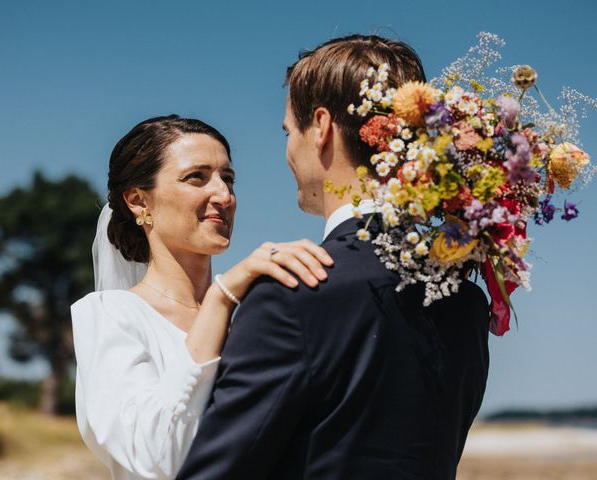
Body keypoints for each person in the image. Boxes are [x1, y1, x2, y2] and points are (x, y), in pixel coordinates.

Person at [176, 35, 490, 480]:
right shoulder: (467, 302)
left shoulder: (292, 296)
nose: (287, 151)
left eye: (289, 131)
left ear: (321, 127)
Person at [71, 114, 334, 480]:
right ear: (138, 201)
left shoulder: (260, 312)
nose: (224, 195)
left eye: (228, 178)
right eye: (197, 177)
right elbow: (159, 456)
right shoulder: (110, 316)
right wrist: (222, 297)